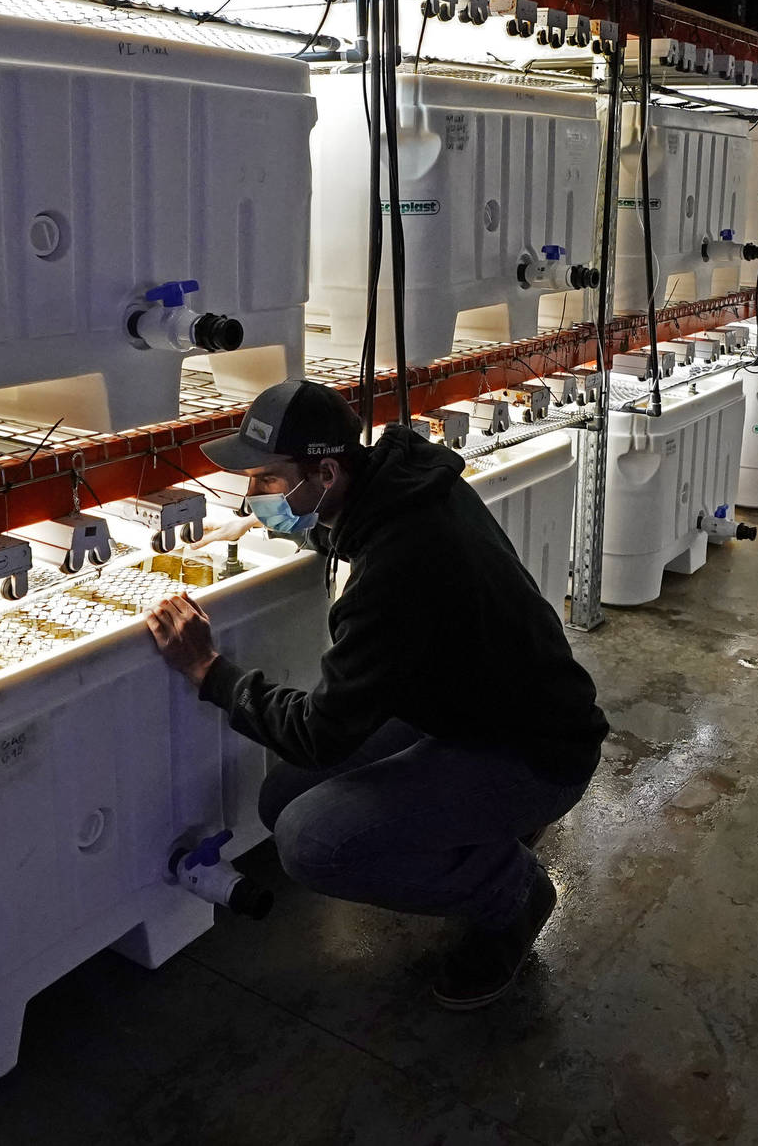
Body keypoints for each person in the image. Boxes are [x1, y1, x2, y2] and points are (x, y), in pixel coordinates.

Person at [145, 378, 608, 1009]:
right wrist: (288, 530)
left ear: (326, 473)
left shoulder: (399, 566)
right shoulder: (402, 485)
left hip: (534, 751)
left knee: (312, 843)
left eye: (267, 480)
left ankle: (513, 892)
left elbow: (318, 732)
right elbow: (349, 531)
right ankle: (478, 833)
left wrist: (208, 671)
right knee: (282, 795)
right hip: (469, 708)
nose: (252, 496)